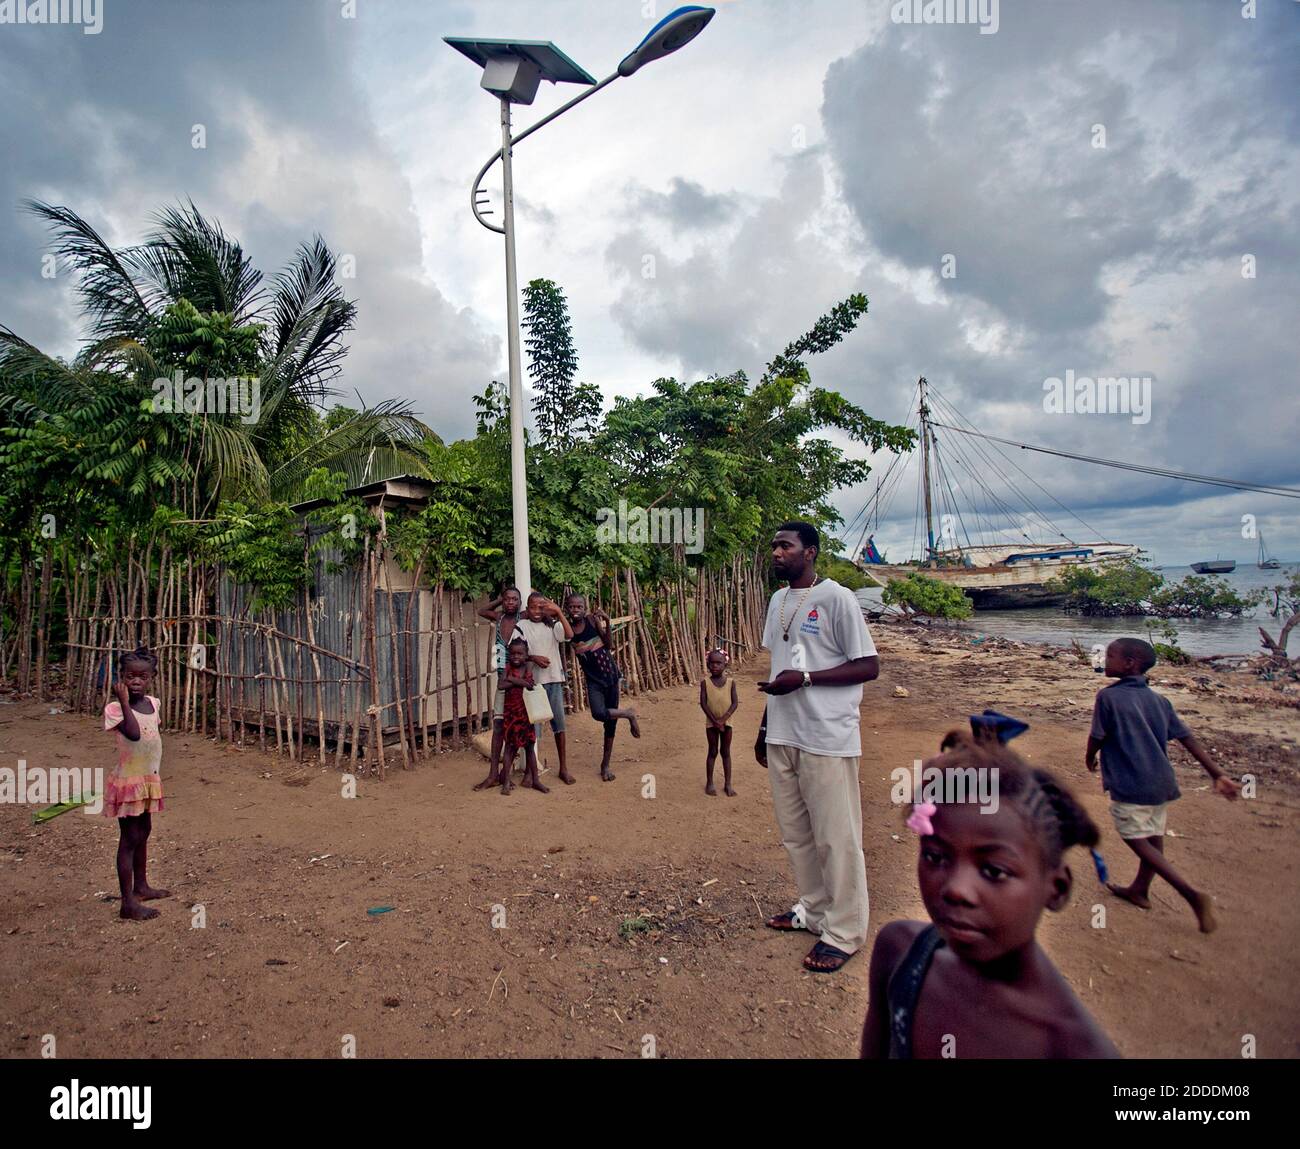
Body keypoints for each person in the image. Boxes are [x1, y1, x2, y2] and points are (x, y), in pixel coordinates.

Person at [860, 725, 1119, 1058]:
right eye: (935, 856)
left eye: (994, 871)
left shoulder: (1071, 1048)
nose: (956, 889)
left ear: (1056, 887)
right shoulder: (899, 952)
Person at [756, 521, 879, 973]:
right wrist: (765, 727)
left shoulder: (837, 598)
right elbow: (779, 665)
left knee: (836, 837)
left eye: (785, 546)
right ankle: (813, 910)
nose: (776, 553)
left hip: (827, 735)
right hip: (785, 734)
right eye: (774, 546)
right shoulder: (778, 600)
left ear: (810, 552)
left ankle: (845, 931)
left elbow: (869, 665)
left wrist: (807, 679)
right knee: (797, 835)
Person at [1087, 637, 1239, 933]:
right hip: (1161, 782)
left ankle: (1192, 895)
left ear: (1130, 664)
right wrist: (1216, 773)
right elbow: (1187, 738)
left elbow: (1098, 736)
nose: (1105, 661)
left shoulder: (1108, 697)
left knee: (1136, 839)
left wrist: (1089, 756)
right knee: (1154, 837)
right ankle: (1140, 891)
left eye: (1111, 656)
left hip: (1131, 782)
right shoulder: (1159, 701)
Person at [103, 646, 171, 921]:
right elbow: (132, 733)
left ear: (151, 677)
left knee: (144, 832)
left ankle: (141, 885)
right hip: (128, 782)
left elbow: (150, 736)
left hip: (148, 779)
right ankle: (127, 902)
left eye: (142, 677)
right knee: (129, 839)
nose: (136, 682)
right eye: (130, 676)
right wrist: (122, 700)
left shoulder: (153, 704)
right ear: (121, 677)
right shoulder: (115, 709)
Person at [564, 593, 640, 781]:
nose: (575, 610)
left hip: (611, 676)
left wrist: (606, 620)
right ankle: (628, 714)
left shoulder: (591, 621)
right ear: (567, 608)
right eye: (572, 607)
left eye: (579, 606)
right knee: (598, 713)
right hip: (594, 680)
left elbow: (609, 645)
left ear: (585, 608)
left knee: (610, 724)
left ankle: (605, 766)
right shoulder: (567, 629)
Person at [512, 592, 575, 785]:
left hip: (554, 679)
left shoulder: (553, 625)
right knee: (533, 729)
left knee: (559, 726)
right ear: (527, 609)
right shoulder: (522, 626)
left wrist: (558, 612)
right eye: (533, 607)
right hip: (533, 682)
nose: (537, 611)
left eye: (542, 607)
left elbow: (570, 635)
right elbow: (514, 651)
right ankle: (531, 771)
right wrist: (533, 658)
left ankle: (563, 768)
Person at [474, 586, 523, 791]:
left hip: (519, 683)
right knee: (499, 726)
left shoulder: (525, 619)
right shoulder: (499, 618)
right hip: (502, 680)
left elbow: (542, 608)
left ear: (520, 603)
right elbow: (481, 611)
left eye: (514, 599)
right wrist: (499, 599)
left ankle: (505, 774)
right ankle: (493, 774)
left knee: (515, 728)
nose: (510, 602)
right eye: (507, 599)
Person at [499, 638, 546, 795]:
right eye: (513, 654)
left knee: (529, 747)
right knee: (509, 748)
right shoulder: (506, 667)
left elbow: (529, 684)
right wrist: (518, 681)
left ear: (526, 655)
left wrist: (512, 680)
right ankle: (505, 781)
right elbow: (501, 685)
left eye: (520, 654)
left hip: (526, 714)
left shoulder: (527, 668)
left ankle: (536, 780)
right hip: (510, 715)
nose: (516, 657)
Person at [698, 648, 738, 796]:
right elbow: (703, 703)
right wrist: (715, 721)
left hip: (727, 724)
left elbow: (735, 703)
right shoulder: (705, 683)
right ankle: (710, 783)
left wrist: (722, 720)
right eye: (712, 663)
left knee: (726, 752)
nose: (715, 666)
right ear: (708, 665)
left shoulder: (731, 683)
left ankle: (728, 784)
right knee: (713, 751)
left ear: (725, 665)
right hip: (711, 724)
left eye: (718, 663)